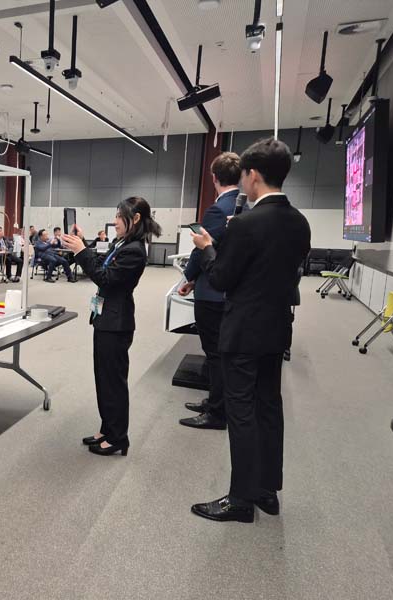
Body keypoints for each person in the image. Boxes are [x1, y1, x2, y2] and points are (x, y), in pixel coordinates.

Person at [189, 138, 311, 523]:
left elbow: (221, 278)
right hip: (276, 329)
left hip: (243, 332)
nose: (242, 183)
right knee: (269, 407)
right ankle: (266, 490)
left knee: (241, 412)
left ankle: (240, 499)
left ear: (253, 175)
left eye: (243, 176)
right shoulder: (299, 222)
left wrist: (208, 248)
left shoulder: (245, 224)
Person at [61, 197, 161, 456]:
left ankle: (118, 437)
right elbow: (102, 263)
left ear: (135, 218)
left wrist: (81, 252)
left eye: (119, 216)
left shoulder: (135, 250)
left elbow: (104, 277)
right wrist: (84, 244)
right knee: (103, 378)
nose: (115, 221)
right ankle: (108, 428)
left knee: (113, 381)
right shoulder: (123, 243)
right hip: (106, 319)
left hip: (116, 323)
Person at [177, 152, 241, 430]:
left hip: (212, 292)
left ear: (214, 178)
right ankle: (216, 401)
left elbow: (203, 248)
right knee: (220, 354)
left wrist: (189, 276)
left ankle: (217, 413)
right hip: (230, 290)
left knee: (214, 354)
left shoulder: (218, 209)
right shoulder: (244, 205)